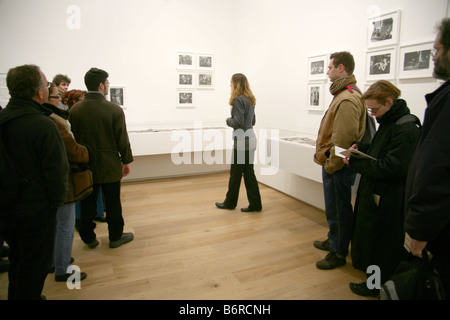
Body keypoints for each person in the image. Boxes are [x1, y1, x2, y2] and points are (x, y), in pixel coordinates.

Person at [344, 81, 420, 297]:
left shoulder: (405, 129)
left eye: (375, 110)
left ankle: (375, 285)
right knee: (373, 241)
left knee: (380, 246)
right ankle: (374, 281)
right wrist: (363, 148)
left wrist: (356, 163)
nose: (374, 115)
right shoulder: (390, 122)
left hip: (388, 199)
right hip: (378, 194)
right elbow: (382, 151)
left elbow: (391, 166)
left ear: (389, 101)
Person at [0, 64, 69, 299]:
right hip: (35, 210)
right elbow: (57, 174)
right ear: (39, 92)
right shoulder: (43, 126)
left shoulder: (3, 119)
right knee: (34, 266)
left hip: (6, 207)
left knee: (18, 258)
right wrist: (55, 203)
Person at [405, 18, 450, 299]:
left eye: (437, 50)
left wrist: (419, 229)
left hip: (440, 234)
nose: (433, 56)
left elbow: (437, 169)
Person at [69, 67, 134, 249]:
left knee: (87, 202)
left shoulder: (75, 110)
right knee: (112, 202)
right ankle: (115, 236)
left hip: (85, 164)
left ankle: (88, 237)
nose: (108, 86)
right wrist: (126, 160)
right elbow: (122, 138)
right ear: (101, 85)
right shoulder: (113, 109)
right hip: (109, 165)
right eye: (107, 83)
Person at [313, 51, 366, 270]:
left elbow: (343, 139)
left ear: (341, 68)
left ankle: (339, 251)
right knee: (334, 207)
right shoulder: (343, 94)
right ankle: (334, 238)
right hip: (334, 163)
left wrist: (332, 165)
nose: (327, 71)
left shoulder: (347, 97)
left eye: (330, 67)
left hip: (337, 166)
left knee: (339, 209)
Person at [43, 83, 89, 282]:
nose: (59, 100)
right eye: (56, 96)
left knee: (57, 224)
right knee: (64, 226)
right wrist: (88, 153)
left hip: (49, 182)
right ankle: (62, 267)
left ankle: (55, 260)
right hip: (62, 180)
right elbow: (72, 150)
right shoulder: (51, 121)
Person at [215, 73, 262, 212]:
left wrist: (228, 120)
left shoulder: (238, 100)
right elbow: (252, 121)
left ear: (236, 84)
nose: (230, 84)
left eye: (231, 82)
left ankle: (230, 203)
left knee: (235, 174)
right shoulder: (250, 100)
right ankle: (256, 204)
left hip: (242, 141)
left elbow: (238, 123)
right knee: (249, 173)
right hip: (251, 138)